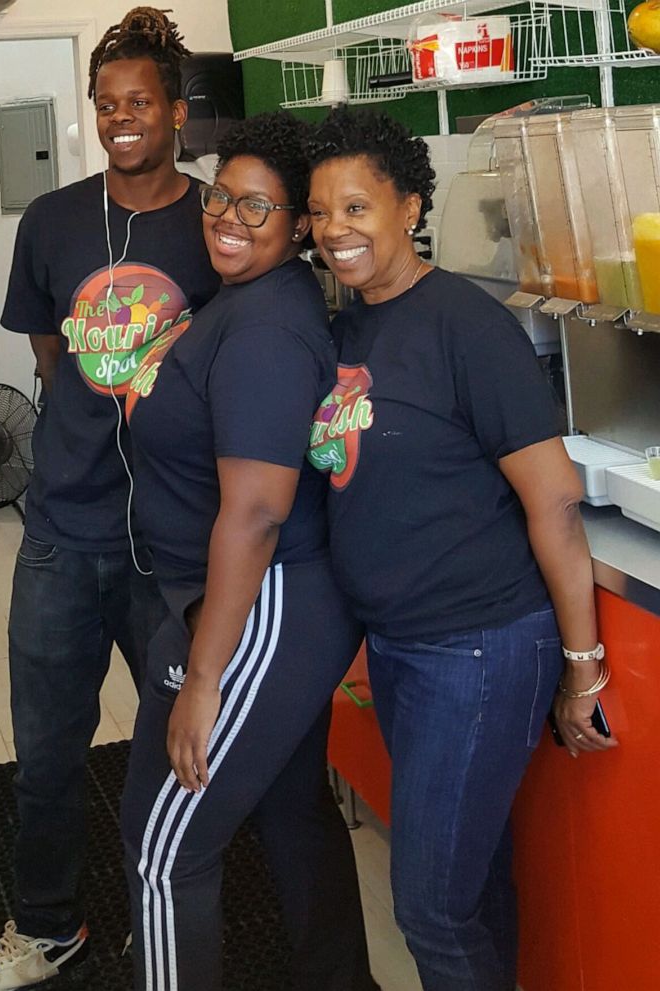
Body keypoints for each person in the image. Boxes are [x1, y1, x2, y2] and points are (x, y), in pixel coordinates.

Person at [305, 105, 618, 991]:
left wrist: (581, 663)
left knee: (431, 908)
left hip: (476, 646)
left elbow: (554, 501)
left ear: (409, 207)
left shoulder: (464, 325)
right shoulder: (351, 322)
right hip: (402, 646)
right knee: (470, 885)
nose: (336, 230)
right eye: (322, 211)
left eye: (357, 208)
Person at [0, 9, 220, 991]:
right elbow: (49, 356)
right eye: (105, 104)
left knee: (182, 754)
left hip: (174, 547)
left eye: (138, 101)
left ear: (174, 112)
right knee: (45, 758)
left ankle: (170, 909)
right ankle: (48, 925)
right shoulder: (53, 221)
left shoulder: (212, 223)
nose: (119, 119)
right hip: (62, 534)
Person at [119, 111, 380, 991]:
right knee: (291, 808)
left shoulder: (265, 329)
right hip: (249, 597)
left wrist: (204, 675)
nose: (228, 217)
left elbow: (259, 512)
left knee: (163, 845)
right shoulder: (246, 299)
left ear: (300, 224)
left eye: (258, 208)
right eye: (221, 196)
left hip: (258, 602)